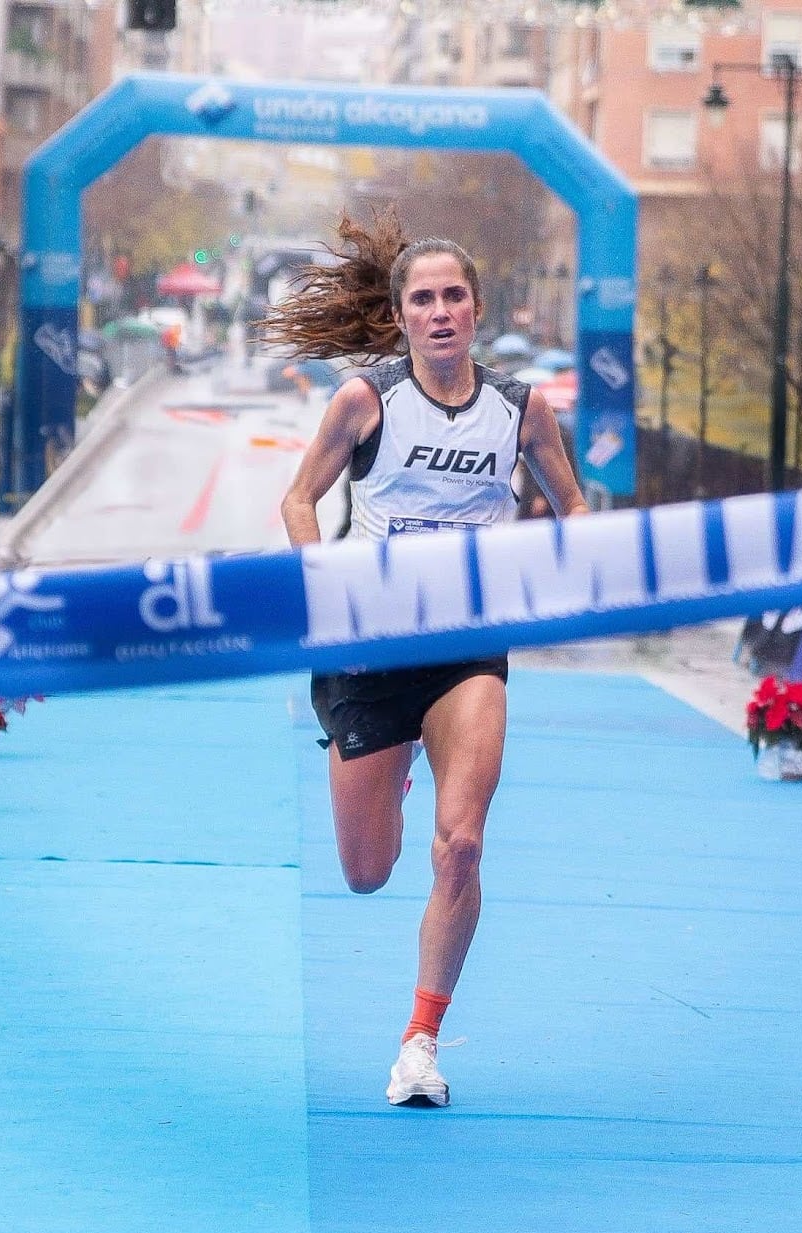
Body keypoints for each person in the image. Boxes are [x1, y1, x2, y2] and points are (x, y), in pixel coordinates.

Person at [264, 211, 588, 1107]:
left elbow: (573, 508)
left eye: (453, 296)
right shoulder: (365, 400)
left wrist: (571, 567)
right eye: (422, 299)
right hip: (369, 647)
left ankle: (419, 1041)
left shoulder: (520, 409)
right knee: (366, 871)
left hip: (465, 646)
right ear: (401, 315)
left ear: (476, 308)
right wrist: (321, 584)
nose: (439, 311)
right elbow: (297, 498)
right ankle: (394, 761)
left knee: (462, 844)